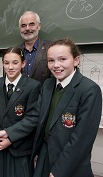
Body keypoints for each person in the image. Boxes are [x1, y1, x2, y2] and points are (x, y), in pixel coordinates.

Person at [31, 38, 102, 177]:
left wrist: (58, 171)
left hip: (69, 164)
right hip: (45, 157)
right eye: (51, 61)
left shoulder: (89, 90)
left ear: (76, 60)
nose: (56, 65)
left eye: (62, 59)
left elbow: (82, 139)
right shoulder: (47, 85)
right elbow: (35, 117)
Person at [0, 47, 41, 177]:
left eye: (15, 63)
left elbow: (32, 118)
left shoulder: (33, 86)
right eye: (6, 63)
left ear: (23, 63)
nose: (10, 67)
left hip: (19, 146)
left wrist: (9, 136)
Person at [19, 11, 52, 84]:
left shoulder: (51, 48)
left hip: (44, 94)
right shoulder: (14, 52)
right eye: (23, 25)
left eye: (31, 24)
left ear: (39, 26)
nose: (27, 28)